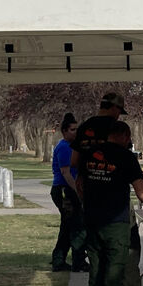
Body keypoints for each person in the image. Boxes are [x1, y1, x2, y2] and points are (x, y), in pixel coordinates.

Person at [79, 120, 143, 286]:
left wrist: (86, 203)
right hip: (115, 217)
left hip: (92, 215)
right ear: (124, 136)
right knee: (116, 260)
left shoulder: (89, 154)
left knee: (96, 259)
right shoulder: (125, 156)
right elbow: (139, 187)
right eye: (128, 138)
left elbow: (80, 183)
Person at [50, 113, 88, 272]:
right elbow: (66, 173)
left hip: (69, 189)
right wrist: (78, 192)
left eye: (77, 129)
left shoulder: (73, 146)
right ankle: (79, 261)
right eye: (73, 129)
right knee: (77, 226)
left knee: (67, 227)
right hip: (65, 190)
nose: (76, 132)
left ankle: (58, 261)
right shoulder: (65, 147)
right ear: (64, 131)